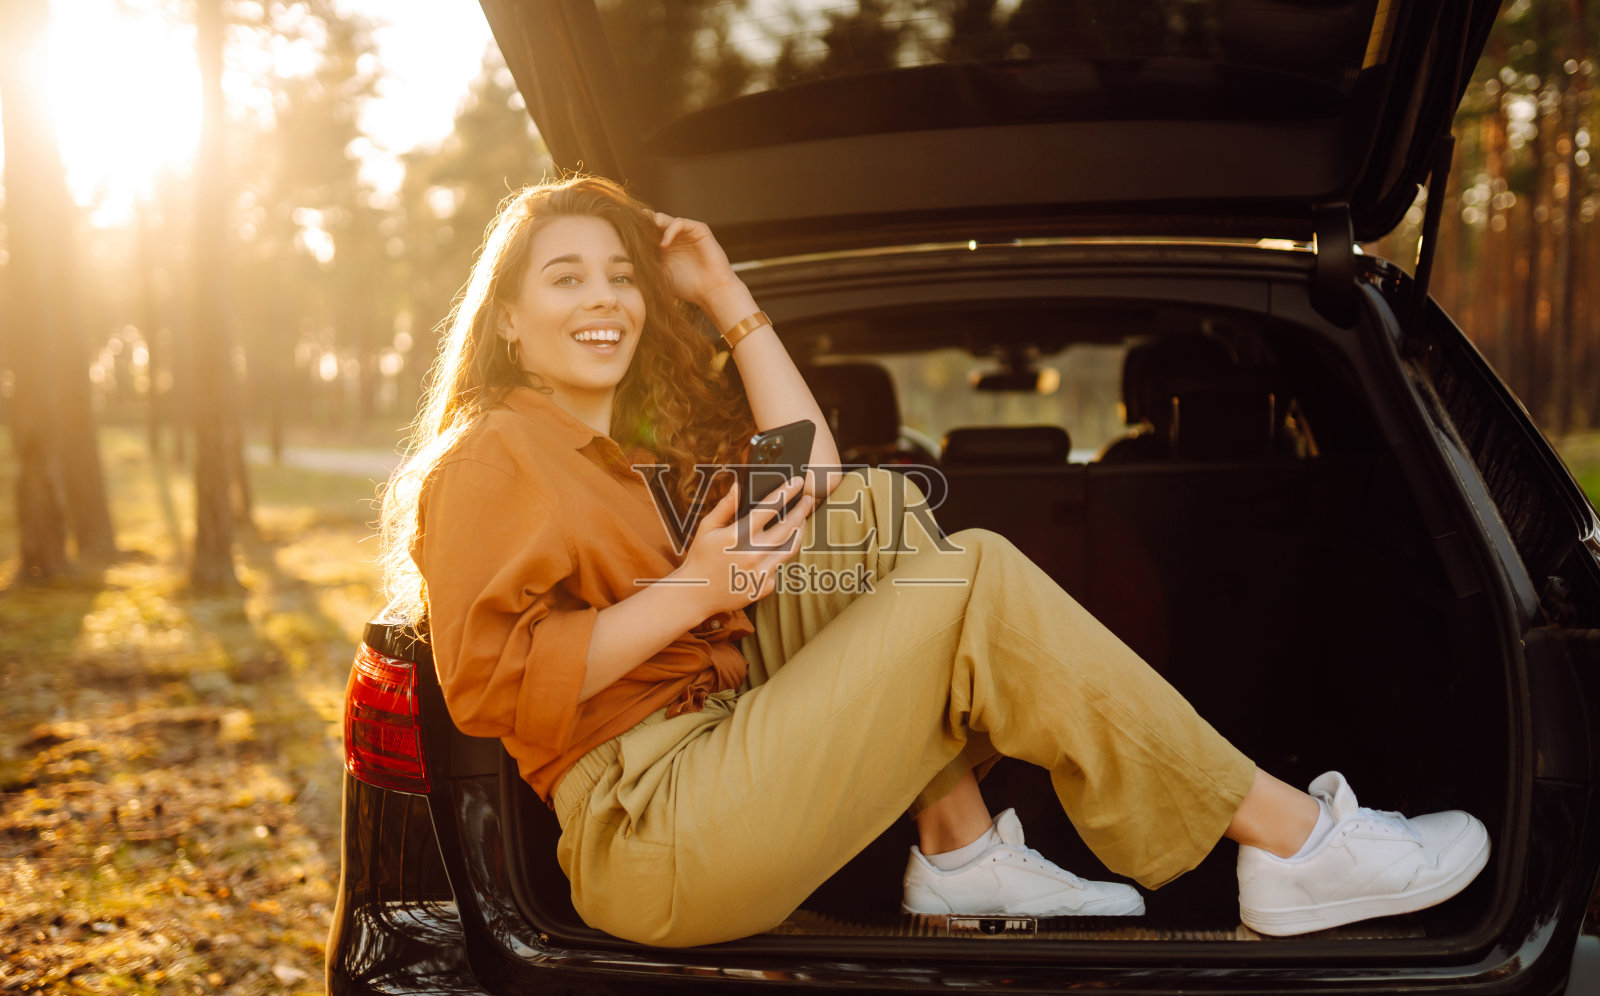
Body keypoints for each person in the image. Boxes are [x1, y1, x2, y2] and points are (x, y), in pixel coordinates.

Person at [378, 175, 1491, 949]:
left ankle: (957, 852)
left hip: (712, 750)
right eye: (566, 278)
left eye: (619, 275)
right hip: (651, 827)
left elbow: (805, 475)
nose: (607, 299)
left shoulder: (621, 465)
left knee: (865, 507)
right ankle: (1291, 840)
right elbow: (484, 682)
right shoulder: (489, 453)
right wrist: (698, 590)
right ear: (510, 321)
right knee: (975, 573)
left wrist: (725, 294)